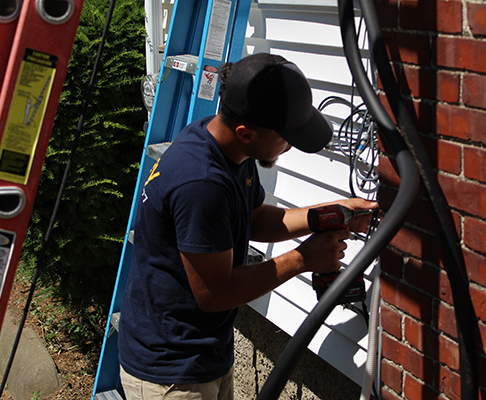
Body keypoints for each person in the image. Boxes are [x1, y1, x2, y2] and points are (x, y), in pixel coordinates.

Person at [117, 53, 378, 400]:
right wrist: (303, 259)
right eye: (285, 137)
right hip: (171, 372)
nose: (289, 146)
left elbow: (254, 218)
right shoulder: (202, 183)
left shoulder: (227, 146)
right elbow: (215, 294)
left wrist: (330, 213)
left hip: (204, 355)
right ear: (246, 133)